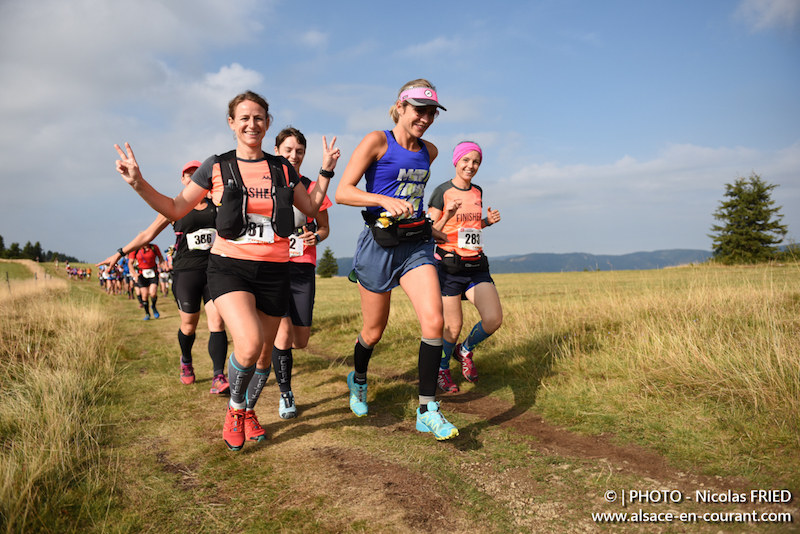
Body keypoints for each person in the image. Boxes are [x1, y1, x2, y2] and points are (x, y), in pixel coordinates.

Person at [113, 90, 338, 451]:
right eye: (244, 117)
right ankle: (235, 410)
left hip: (275, 270)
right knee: (248, 345)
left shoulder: (282, 168)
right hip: (230, 267)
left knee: (264, 353)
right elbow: (174, 208)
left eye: (259, 117)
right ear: (232, 123)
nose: (252, 123)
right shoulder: (216, 166)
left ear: (268, 123)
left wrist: (326, 169)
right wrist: (138, 182)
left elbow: (311, 204)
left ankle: (249, 409)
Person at [334, 79, 458, 441]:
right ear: (400, 107)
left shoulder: (429, 151)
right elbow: (343, 192)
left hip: (416, 245)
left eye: (431, 111)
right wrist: (382, 201)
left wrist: (430, 225)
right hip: (378, 246)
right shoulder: (377, 140)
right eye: (419, 109)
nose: (425, 117)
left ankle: (427, 410)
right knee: (373, 331)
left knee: (434, 322)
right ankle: (358, 380)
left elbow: (414, 196)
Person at [98, 160, 231, 394]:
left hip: (214, 271)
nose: (192, 179)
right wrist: (119, 253)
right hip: (186, 272)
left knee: (217, 322)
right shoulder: (175, 207)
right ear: (182, 180)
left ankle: (218, 376)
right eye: (188, 175)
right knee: (189, 325)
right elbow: (147, 234)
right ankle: (186, 360)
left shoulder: (216, 205)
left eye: (197, 174)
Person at [428, 141, 503, 393]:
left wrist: (486, 222)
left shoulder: (478, 191)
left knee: (493, 319)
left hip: (477, 265)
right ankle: (441, 369)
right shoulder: (442, 192)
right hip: (450, 268)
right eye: (466, 161)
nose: (471, 166)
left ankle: (465, 350)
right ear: (456, 161)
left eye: (476, 162)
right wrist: (447, 214)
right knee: (452, 327)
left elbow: (469, 229)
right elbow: (430, 231)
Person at [270, 127, 333, 419]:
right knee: (282, 335)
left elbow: (324, 227)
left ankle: (267, 348)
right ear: (277, 151)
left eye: (299, 151)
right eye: (288, 151)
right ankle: (286, 394)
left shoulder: (311, 187)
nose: (294, 156)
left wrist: (315, 238)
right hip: (272, 267)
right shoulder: (265, 185)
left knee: (300, 340)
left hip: (302, 269)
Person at [131, 243, 164, 320]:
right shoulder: (136, 249)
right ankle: (147, 313)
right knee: (145, 295)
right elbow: (130, 263)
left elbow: (160, 257)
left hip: (153, 272)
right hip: (141, 274)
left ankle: (154, 306)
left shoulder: (154, 247)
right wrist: (135, 274)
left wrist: (161, 264)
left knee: (153, 293)